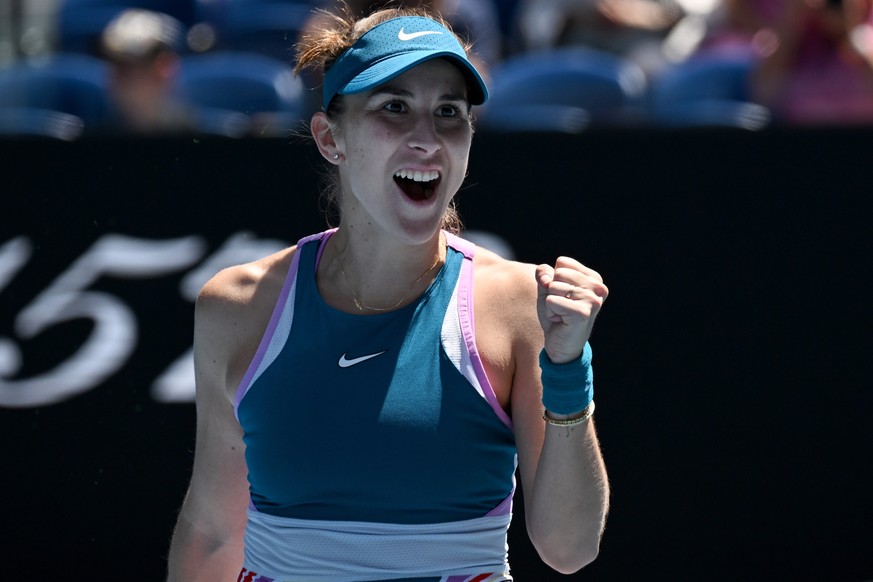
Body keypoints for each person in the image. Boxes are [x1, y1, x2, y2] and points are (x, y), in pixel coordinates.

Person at [166, 5, 610, 581]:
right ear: (331, 137)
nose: (427, 139)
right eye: (394, 108)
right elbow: (214, 530)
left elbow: (568, 549)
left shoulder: (521, 303)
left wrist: (569, 369)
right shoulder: (236, 306)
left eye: (449, 112)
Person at [96, 8, 196, 135]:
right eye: (113, 65)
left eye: (128, 67)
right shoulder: (93, 141)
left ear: (162, 68)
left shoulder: (202, 142)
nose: (116, 77)